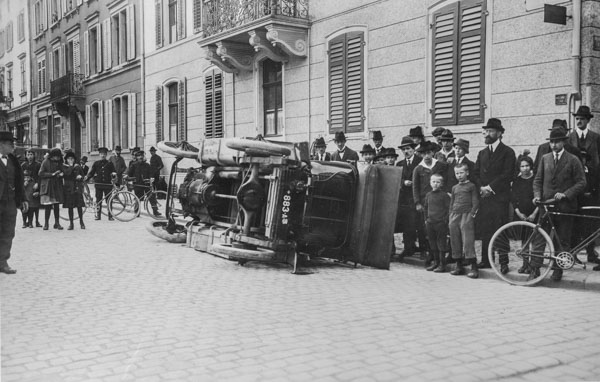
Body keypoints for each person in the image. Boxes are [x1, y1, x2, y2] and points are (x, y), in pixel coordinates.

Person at [533, 127, 587, 281]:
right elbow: (537, 181)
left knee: (561, 239)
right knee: (539, 237)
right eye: (551, 142)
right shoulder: (545, 158)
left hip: (565, 207)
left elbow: (582, 182)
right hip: (546, 206)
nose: (554, 145)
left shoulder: (573, 160)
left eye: (557, 142)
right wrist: (537, 196)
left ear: (563, 142)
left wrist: (566, 194)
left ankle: (558, 269)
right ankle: (535, 268)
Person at [473, 118, 516, 271]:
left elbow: (507, 174)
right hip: (484, 198)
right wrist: (481, 188)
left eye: (491, 131)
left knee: (501, 229)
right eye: (486, 131)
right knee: (486, 229)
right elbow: (475, 173)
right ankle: (486, 260)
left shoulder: (508, 152)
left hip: (499, 198)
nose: (487, 134)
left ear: (499, 133)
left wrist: (490, 188)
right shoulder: (482, 153)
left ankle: (504, 262)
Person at [413, 141, 448, 265]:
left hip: (439, 201)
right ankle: (430, 253)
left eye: (429, 153)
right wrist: (417, 202)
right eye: (424, 154)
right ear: (421, 155)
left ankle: (440, 256)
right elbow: (415, 187)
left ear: (433, 153)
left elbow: (447, 181)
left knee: (440, 228)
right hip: (425, 202)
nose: (427, 156)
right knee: (426, 229)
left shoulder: (441, 166)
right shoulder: (418, 168)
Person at [0, 132, 28, 274]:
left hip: (10, 202)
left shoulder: (13, 161)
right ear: (1, 144)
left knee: (8, 232)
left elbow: (19, 181)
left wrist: (23, 199)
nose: (13, 146)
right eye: (10, 143)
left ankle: (3, 262)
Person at [448, 162, 480, 278]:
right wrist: (450, 216)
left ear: (467, 172)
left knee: (467, 240)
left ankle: (473, 266)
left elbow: (475, 202)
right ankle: (458, 265)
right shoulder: (454, 188)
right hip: (455, 216)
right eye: (457, 173)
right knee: (455, 240)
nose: (459, 175)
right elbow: (452, 203)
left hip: (466, 216)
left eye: (461, 172)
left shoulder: (471, 186)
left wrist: (471, 215)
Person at [396, 136, 424, 259]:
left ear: (413, 149)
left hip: (417, 198)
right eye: (403, 150)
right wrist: (403, 183)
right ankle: (408, 248)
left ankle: (424, 250)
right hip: (405, 199)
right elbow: (397, 179)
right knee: (407, 225)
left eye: (408, 149)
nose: (406, 152)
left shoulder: (420, 161)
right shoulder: (400, 164)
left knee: (420, 225)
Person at [510, 155, 539, 274]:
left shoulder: (536, 179)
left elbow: (539, 198)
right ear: (519, 168)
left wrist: (534, 214)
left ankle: (533, 265)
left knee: (535, 240)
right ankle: (525, 264)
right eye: (522, 166)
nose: (525, 168)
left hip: (534, 213)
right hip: (521, 214)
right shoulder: (517, 181)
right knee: (524, 240)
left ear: (531, 166)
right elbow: (513, 199)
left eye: (527, 166)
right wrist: (519, 213)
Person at [423, 173, 450, 272]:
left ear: (441, 184)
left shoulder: (444, 196)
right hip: (430, 223)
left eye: (438, 182)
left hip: (440, 223)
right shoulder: (428, 195)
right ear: (430, 183)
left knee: (441, 244)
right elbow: (425, 208)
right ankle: (436, 263)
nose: (435, 184)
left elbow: (449, 209)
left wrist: (444, 220)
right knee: (432, 243)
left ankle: (442, 265)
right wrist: (426, 219)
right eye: (433, 182)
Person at [84, 147, 116, 221]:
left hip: (108, 185)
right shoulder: (96, 163)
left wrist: (114, 175)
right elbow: (92, 172)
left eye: (104, 154)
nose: (103, 155)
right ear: (99, 154)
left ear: (106, 155)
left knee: (109, 200)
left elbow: (114, 172)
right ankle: (98, 215)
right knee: (99, 200)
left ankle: (110, 215)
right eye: (101, 154)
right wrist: (87, 177)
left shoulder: (110, 163)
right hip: (99, 184)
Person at [126, 150, 161, 217]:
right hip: (138, 184)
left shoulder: (147, 165)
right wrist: (128, 177)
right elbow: (129, 173)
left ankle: (155, 211)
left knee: (152, 197)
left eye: (142, 155)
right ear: (136, 157)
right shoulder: (134, 165)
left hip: (146, 184)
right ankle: (137, 212)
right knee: (138, 198)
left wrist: (151, 177)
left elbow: (151, 173)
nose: (141, 157)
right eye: (139, 156)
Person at [39, 148, 65, 230]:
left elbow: (63, 170)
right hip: (48, 186)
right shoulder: (46, 162)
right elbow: (40, 173)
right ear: (52, 156)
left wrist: (61, 174)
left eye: (58, 157)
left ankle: (57, 223)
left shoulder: (60, 162)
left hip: (57, 186)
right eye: (56, 157)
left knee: (56, 205)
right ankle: (46, 223)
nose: (57, 158)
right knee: (48, 205)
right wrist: (52, 174)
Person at [62, 151, 86, 230]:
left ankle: (81, 222)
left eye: (72, 159)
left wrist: (80, 177)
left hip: (77, 188)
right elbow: (67, 174)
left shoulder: (78, 167)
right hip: (69, 189)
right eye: (69, 159)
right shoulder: (65, 167)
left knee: (79, 206)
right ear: (66, 160)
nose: (70, 160)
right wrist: (71, 166)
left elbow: (83, 175)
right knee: (70, 207)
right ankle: (71, 223)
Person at [21, 149, 42, 227]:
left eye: (31, 154)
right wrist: (23, 182)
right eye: (28, 154)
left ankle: (33, 222)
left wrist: (37, 183)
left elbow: (40, 176)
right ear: (25, 156)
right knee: (25, 204)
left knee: (34, 205)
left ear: (34, 155)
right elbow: (19, 176)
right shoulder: (23, 165)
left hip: (34, 186)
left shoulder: (38, 165)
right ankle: (24, 222)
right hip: (25, 187)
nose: (30, 156)